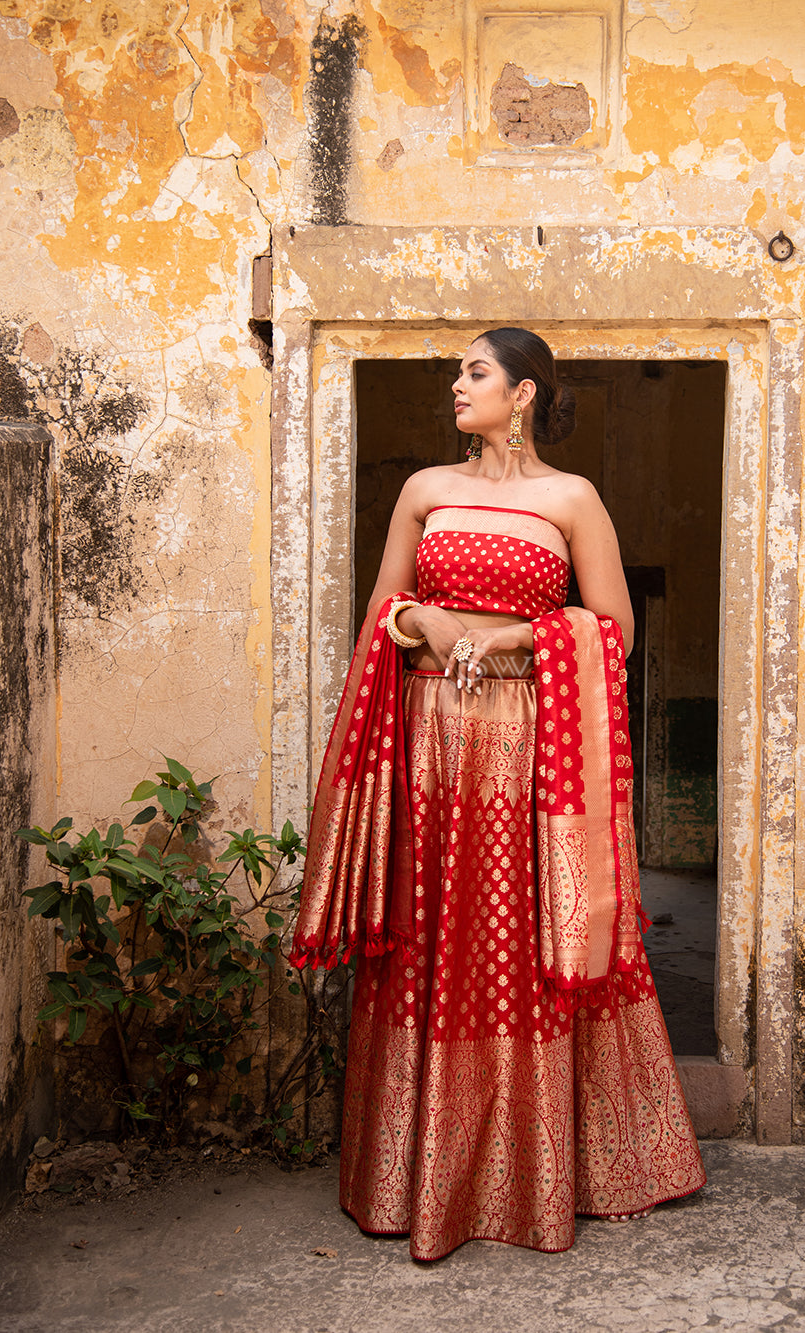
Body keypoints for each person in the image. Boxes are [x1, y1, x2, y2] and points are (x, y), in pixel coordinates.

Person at [290, 327, 706, 1261]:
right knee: (436, 932)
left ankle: (542, 1169)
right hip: (431, 744)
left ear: (523, 394)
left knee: (520, 933)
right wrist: (423, 616)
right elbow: (383, 610)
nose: (455, 385)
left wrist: (517, 640)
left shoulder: (572, 499)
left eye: (474, 372)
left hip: (529, 751)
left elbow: (615, 629)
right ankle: (417, 1171)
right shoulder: (424, 491)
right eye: (456, 372)